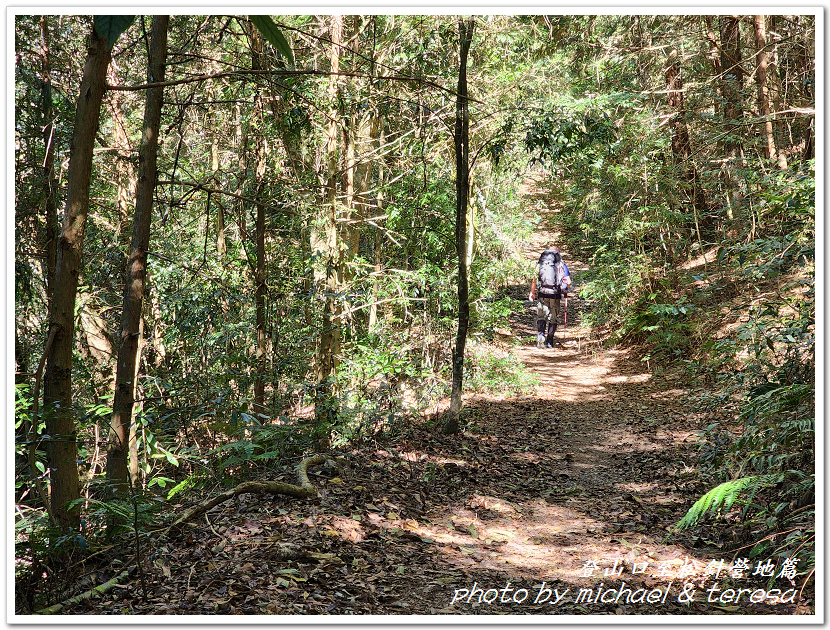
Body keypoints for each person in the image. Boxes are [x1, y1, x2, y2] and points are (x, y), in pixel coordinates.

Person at [528, 245, 571, 348]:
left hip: (542, 293)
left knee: (541, 316)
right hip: (555, 295)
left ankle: (540, 338)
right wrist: (565, 289)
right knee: (553, 318)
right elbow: (568, 281)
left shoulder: (540, 264)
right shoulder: (561, 264)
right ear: (557, 253)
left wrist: (532, 292)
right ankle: (550, 342)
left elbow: (534, 279)